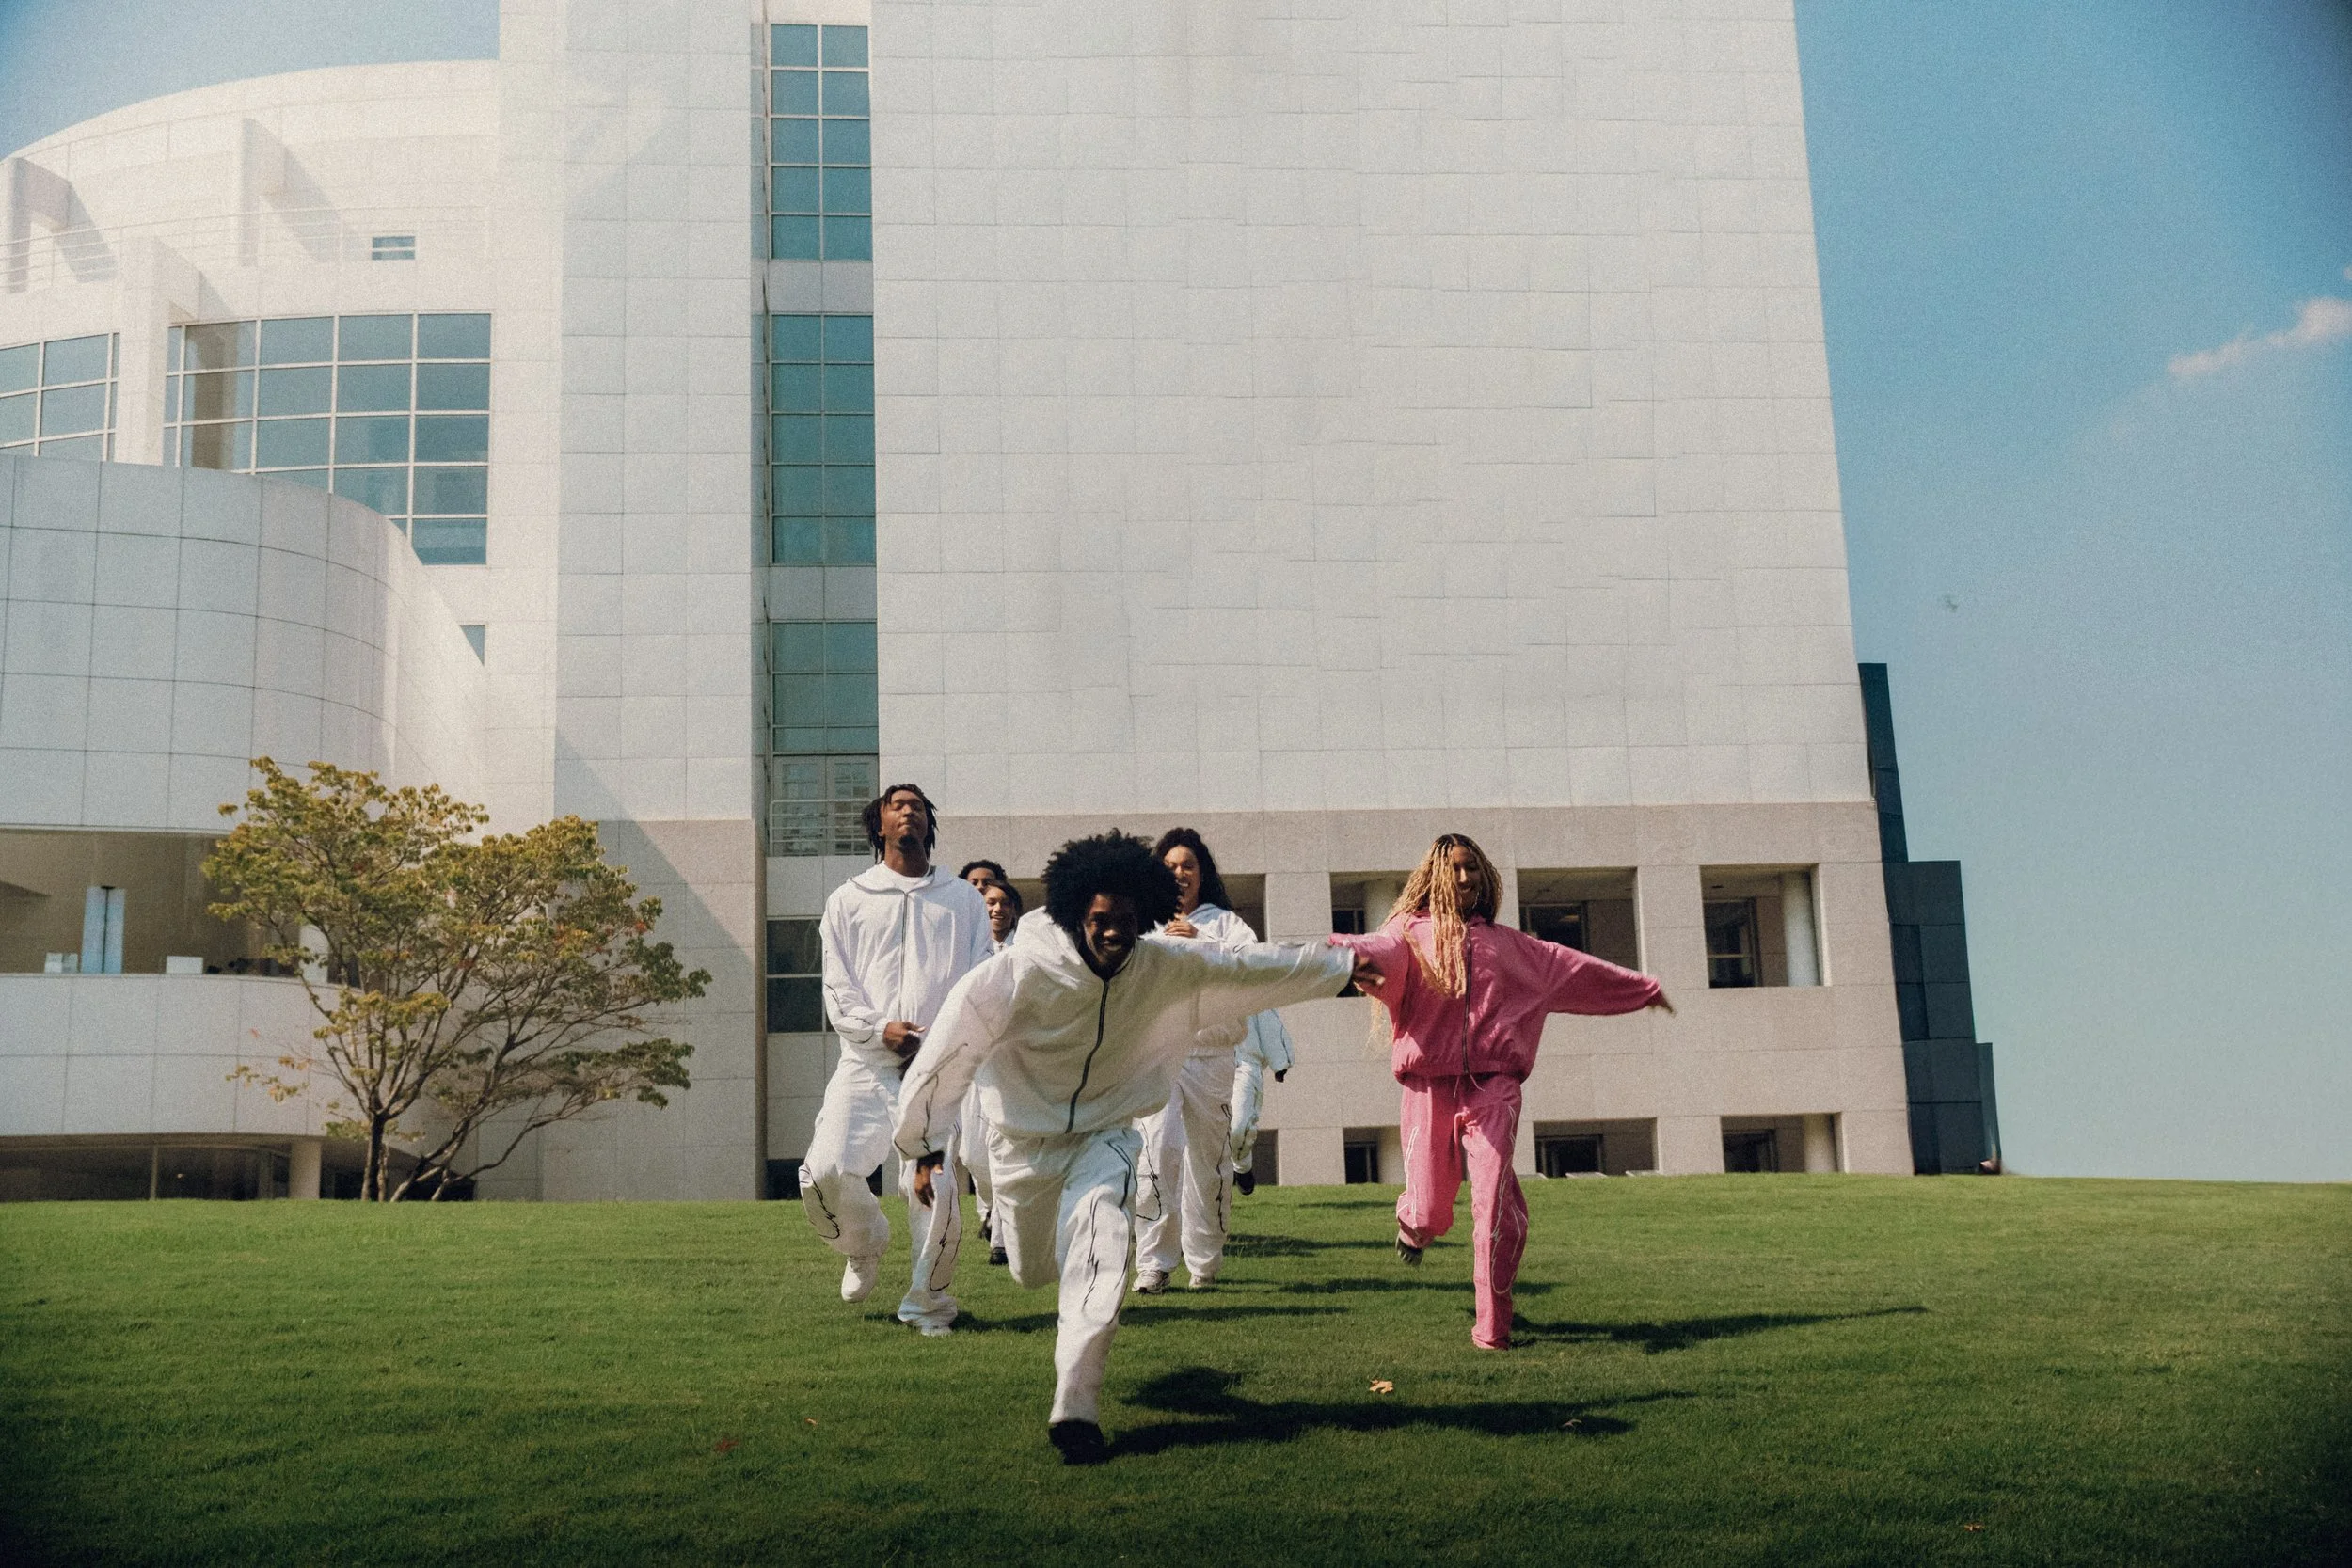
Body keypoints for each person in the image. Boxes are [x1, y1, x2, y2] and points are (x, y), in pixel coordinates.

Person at [893, 831, 1377, 1463]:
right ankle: (1055, 1303)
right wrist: (925, 1144)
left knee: (1103, 1247)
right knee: (1032, 1271)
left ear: (1143, 915)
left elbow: (1249, 969)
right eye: (1100, 920)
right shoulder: (1021, 970)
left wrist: (1341, 968)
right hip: (1023, 1144)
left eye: (1125, 920)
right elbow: (950, 1050)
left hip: (1107, 1134)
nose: (1113, 932)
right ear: (1077, 915)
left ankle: (1076, 1406)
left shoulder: (1162, 966)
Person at [1334, 833, 1673, 1352]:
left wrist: (1644, 990)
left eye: (1471, 867)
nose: (1464, 877)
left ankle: (1492, 1329)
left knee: (1490, 1203)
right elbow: (1379, 954)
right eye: (1454, 868)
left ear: (1484, 876)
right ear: (1435, 875)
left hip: (1495, 1087)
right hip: (1430, 1087)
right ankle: (1413, 1223)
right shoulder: (1408, 934)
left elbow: (1574, 969)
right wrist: (1341, 952)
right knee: (1431, 1210)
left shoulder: (1513, 947)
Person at [801, 784, 995, 1336]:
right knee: (823, 1172)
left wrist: (940, 1044)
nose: (908, 811)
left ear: (928, 823)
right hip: (865, 1064)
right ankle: (863, 1242)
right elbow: (836, 987)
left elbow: (980, 980)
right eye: (897, 805)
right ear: (879, 824)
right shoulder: (849, 899)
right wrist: (878, 1030)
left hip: (933, 1071)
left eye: (917, 806)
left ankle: (928, 1305)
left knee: (933, 1187)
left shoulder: (962, 900)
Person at [1131, 827, 1255, 1292]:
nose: (1180, 874)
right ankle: (1154, 1263)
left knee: (1210, 1159)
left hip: (1212, 1054)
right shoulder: (1143, 921)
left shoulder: (1225, 924)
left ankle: (1204, 1260)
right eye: (1170, 867)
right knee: (1155, 1152)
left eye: (1188, 865)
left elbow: (1249, 964)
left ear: (1202, 873)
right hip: (1159, 1053)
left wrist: (1199, 938)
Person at [970, 876, 1025, 1263]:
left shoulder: (1025, 949)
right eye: (991, 902)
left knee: (1001, 1146)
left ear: (1015, 911)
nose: (997, 909)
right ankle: (991, 1210)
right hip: (973, 1057)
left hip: (1010, 1058)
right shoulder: (969, 947)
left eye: (1005, 902)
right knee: (973, 1156)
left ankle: (1002, 1242)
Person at [1228, 1005, 1293, 1196]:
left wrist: (1279, 1062)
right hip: (1207, 1063)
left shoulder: (1248, 987)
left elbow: (1266, 1016)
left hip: (1245, 1063)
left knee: (1238, 1126)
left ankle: (1242, 1166)